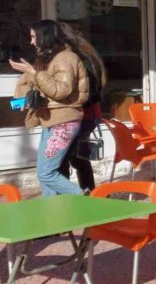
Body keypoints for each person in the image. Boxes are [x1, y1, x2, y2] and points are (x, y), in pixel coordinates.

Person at [10, 20, 87, 196]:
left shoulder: (66, 58)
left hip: (63, 122)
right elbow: (44, 86)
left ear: (45, 37)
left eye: (33, 37)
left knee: (46, 172)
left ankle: (83, 197)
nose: (31, 42)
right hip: (51, 120)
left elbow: (60, 90)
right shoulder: (51, 58)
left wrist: (34, 72)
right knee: (45, 172)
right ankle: (51, 216)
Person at [58, 27, 106, 193]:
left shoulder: (76, 59)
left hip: (82, 116)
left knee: (62, 159)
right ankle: (90, 193)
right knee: (78, 158)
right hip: (89, 115)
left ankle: (70, 198)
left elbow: (85, 91)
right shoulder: (85, 54)